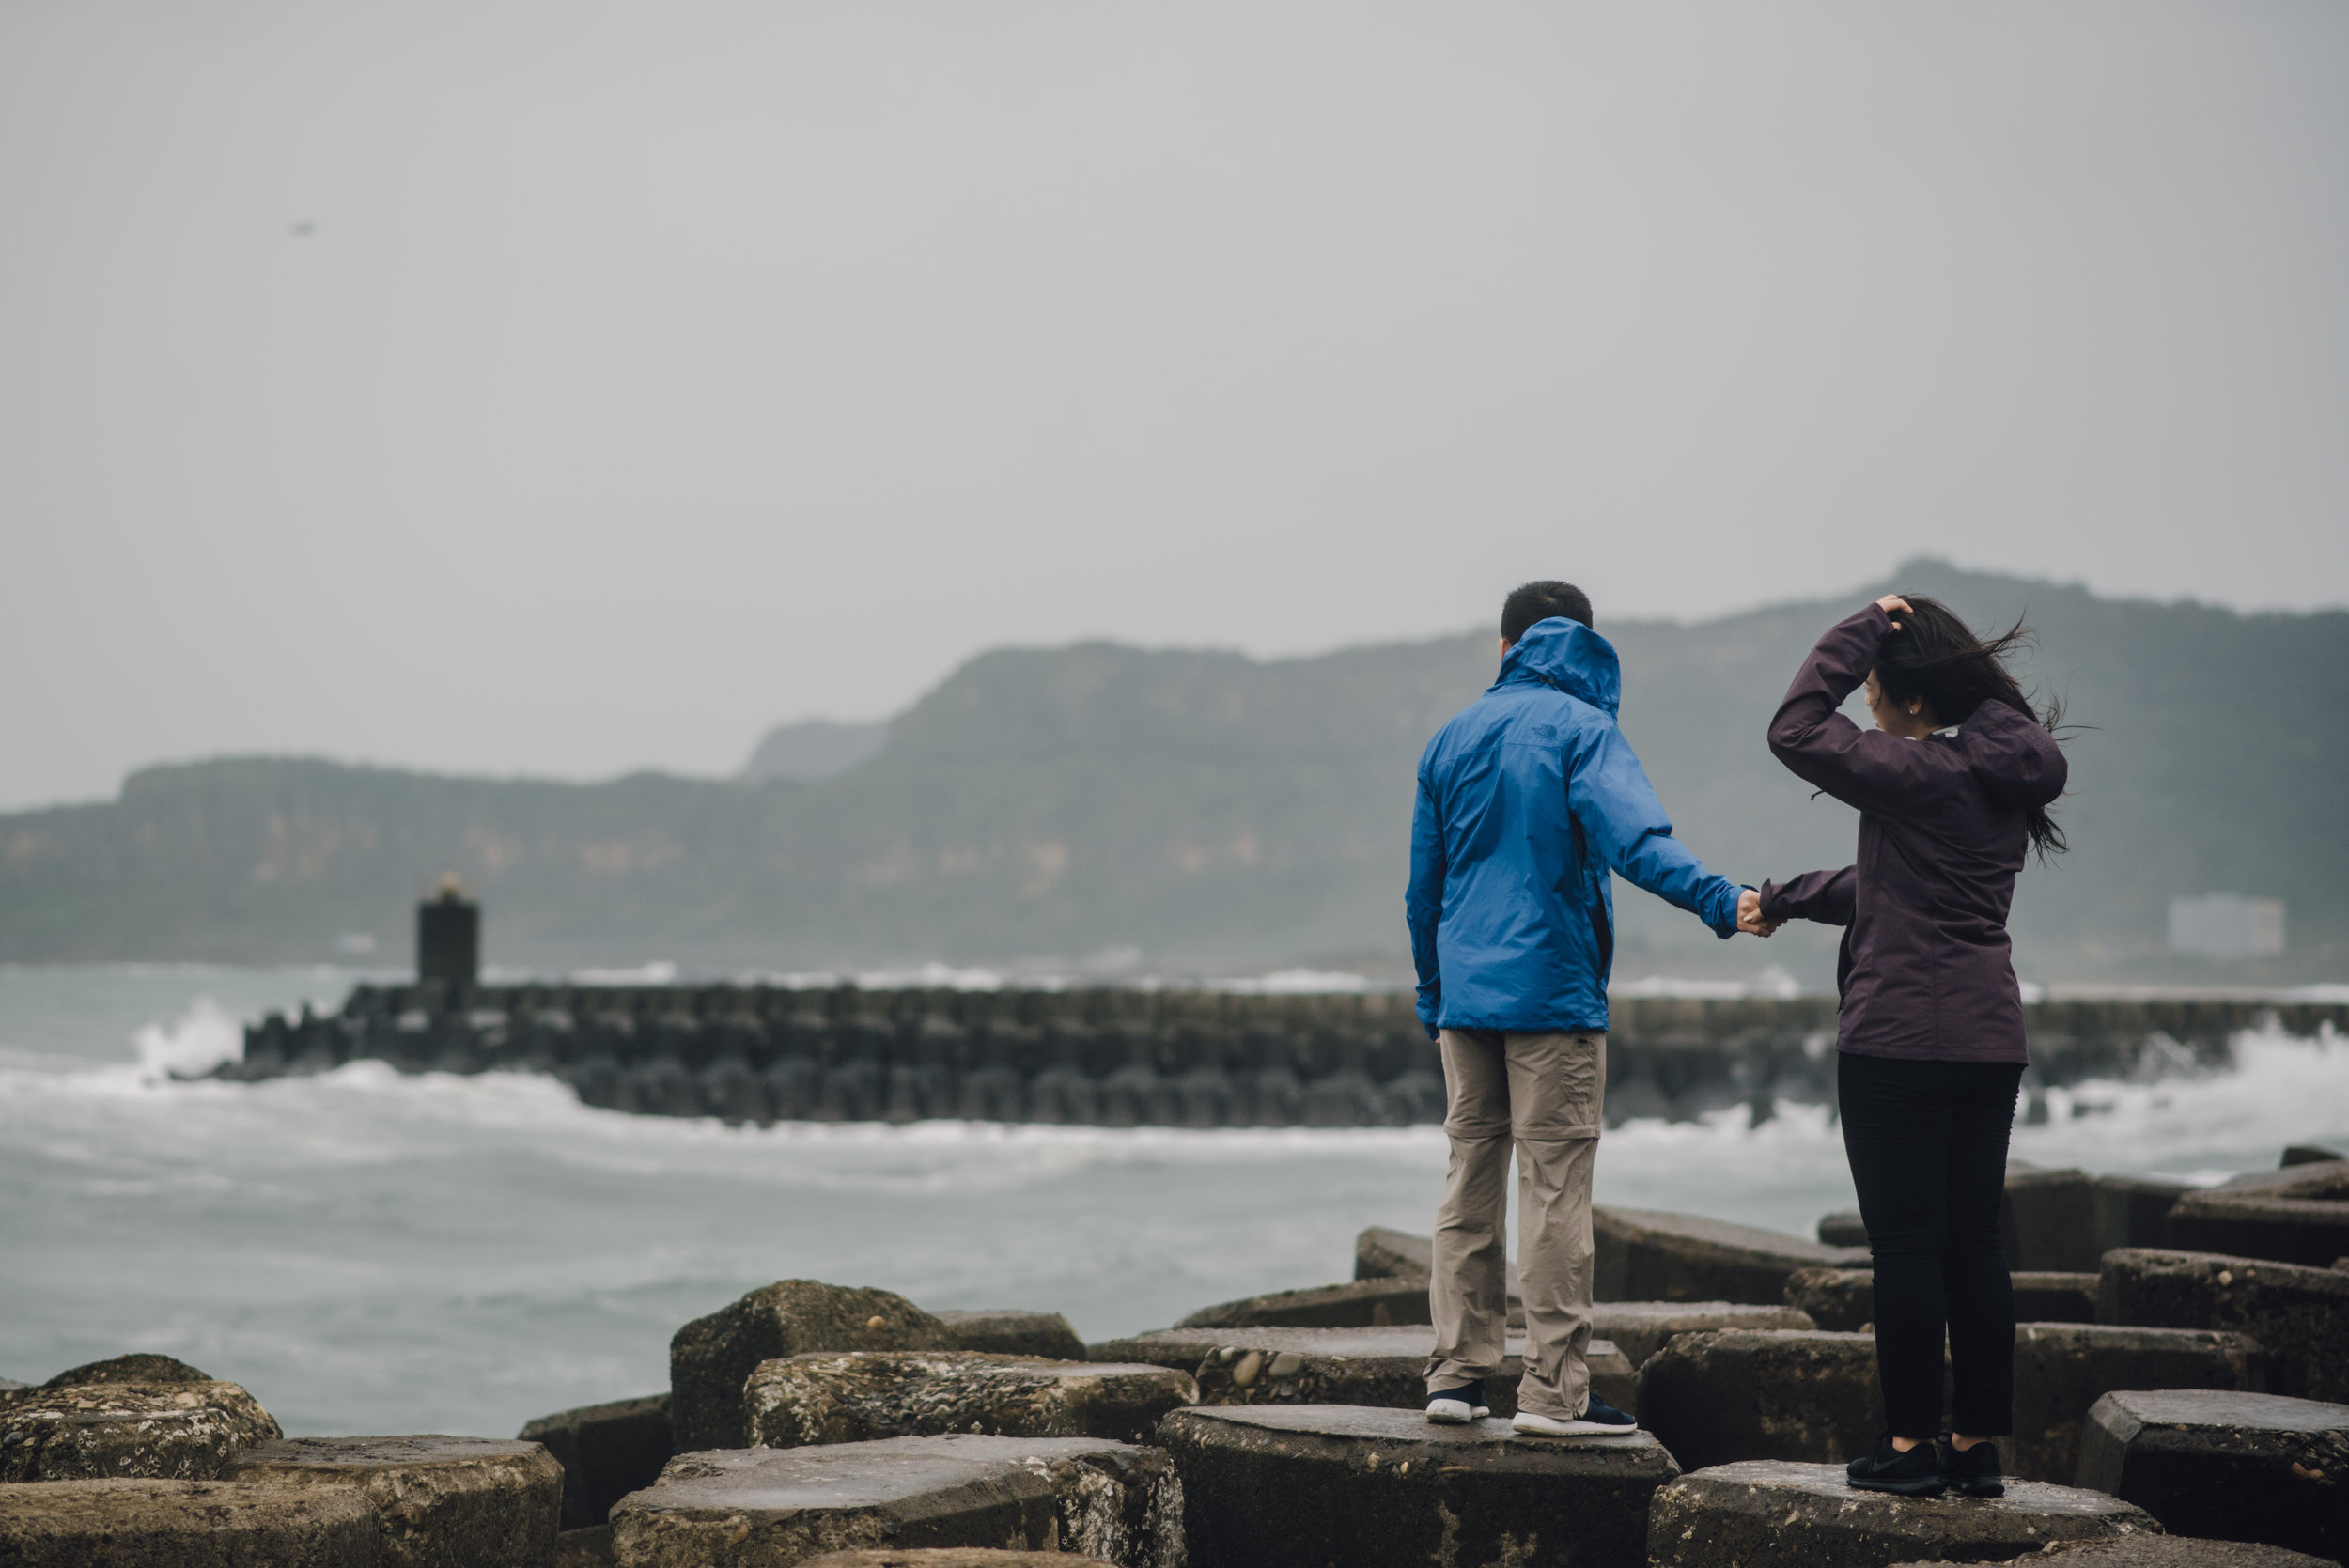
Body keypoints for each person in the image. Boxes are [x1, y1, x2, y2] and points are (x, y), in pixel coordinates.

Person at [1408, 579, 1772, 1436]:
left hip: (1465, 1001)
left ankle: (1455, 1378)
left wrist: (1434, 994)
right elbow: (1636, 842)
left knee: (1468, 1179)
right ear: (1581, 644)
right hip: (1552, 995)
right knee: (1555, 1190)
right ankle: (1553, 1394)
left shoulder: (1449, 739)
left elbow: (1424, 893)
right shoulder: (1583, 729)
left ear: (1506, 649)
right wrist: (1722, 899)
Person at [1756, 592, 2068, 1498]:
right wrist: (1784, 897)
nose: (1868, 708)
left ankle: (1906, 1449)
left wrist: (1864, 627)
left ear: (1918, 700)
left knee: (1905, 1248)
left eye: (1879, 692)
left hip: (1897, 1038)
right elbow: (1883, 883)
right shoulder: (1997, 774)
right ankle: (1973, 1447)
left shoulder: (1920, 771)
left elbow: (1793, 726)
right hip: (1986, 1039)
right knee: (1972, 1244)